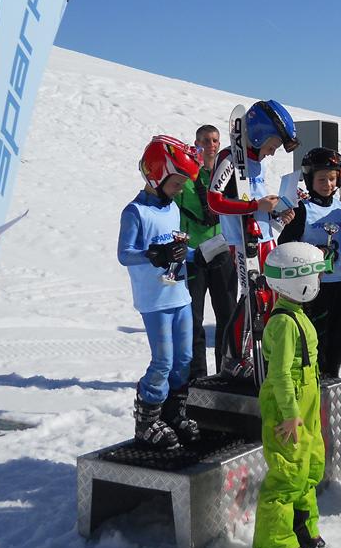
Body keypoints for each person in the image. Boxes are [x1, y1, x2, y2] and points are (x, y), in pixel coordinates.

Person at [118, 135, 204, 449]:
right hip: (155, 300)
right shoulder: (135, 212)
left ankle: (173, 413)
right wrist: (155, 254)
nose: (180, 190)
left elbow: (177, 247)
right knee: (163, 361)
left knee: (184, 359)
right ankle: (147, 420)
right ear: (157, 174)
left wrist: (198, 254)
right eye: (177, 183)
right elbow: (125, 254)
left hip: (180, 294)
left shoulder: (171, 209)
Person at [207, 100, 298, 374]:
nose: (272, 152)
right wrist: (256, 206)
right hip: (242, 241)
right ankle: (235, 356)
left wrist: (276, 213)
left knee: (269, 297)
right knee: (252, 298)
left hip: (265, 237)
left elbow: (256, 203)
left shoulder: (257, 162)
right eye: (272, 145)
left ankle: (260, 354)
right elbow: (214, 201)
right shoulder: (229, 157)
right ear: (259, 134)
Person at [252, 242, 328, 548]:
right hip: (288, 406)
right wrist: (290, 414)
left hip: (306, 402)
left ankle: (301, 527)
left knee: (309, 467)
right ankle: (273, 544)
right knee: (288, 472)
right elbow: (280, 374)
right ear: (299, 280)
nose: (319, 281)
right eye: (315, 275)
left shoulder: (297, 314)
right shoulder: (284, 322)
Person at [278, 147, 341, 377]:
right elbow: (285, 245)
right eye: (322, 179)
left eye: (332, 178)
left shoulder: (339, 208)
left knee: (338, 339)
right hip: (311, 287)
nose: (328, 184)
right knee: (316, 338)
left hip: (336, 282)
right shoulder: (303, 210)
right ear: (310, 180)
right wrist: (312, 252)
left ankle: (333, 376)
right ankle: (313, 380)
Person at [173, 124, 236, 378]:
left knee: (228, 316)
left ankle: (225, 371)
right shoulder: (186, 178)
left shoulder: (228, 178)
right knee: (193, 318)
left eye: (215, 141)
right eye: (206, 140)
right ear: (197, 144)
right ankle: (196, 375)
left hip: (222, 254)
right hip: (193, 256)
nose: (211, 145)